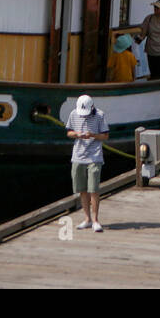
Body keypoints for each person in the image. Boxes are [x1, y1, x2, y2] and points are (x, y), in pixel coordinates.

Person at [66, 94, 109, 232]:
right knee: (82, 189)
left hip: (94, 156)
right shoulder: (74, 114)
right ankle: (87, 219)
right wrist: (78, 134)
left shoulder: (100, 115)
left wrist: (92, 135)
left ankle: (96, 220)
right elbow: (69, 132)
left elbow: (105, 136)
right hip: (78, 155)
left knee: (93, 189)